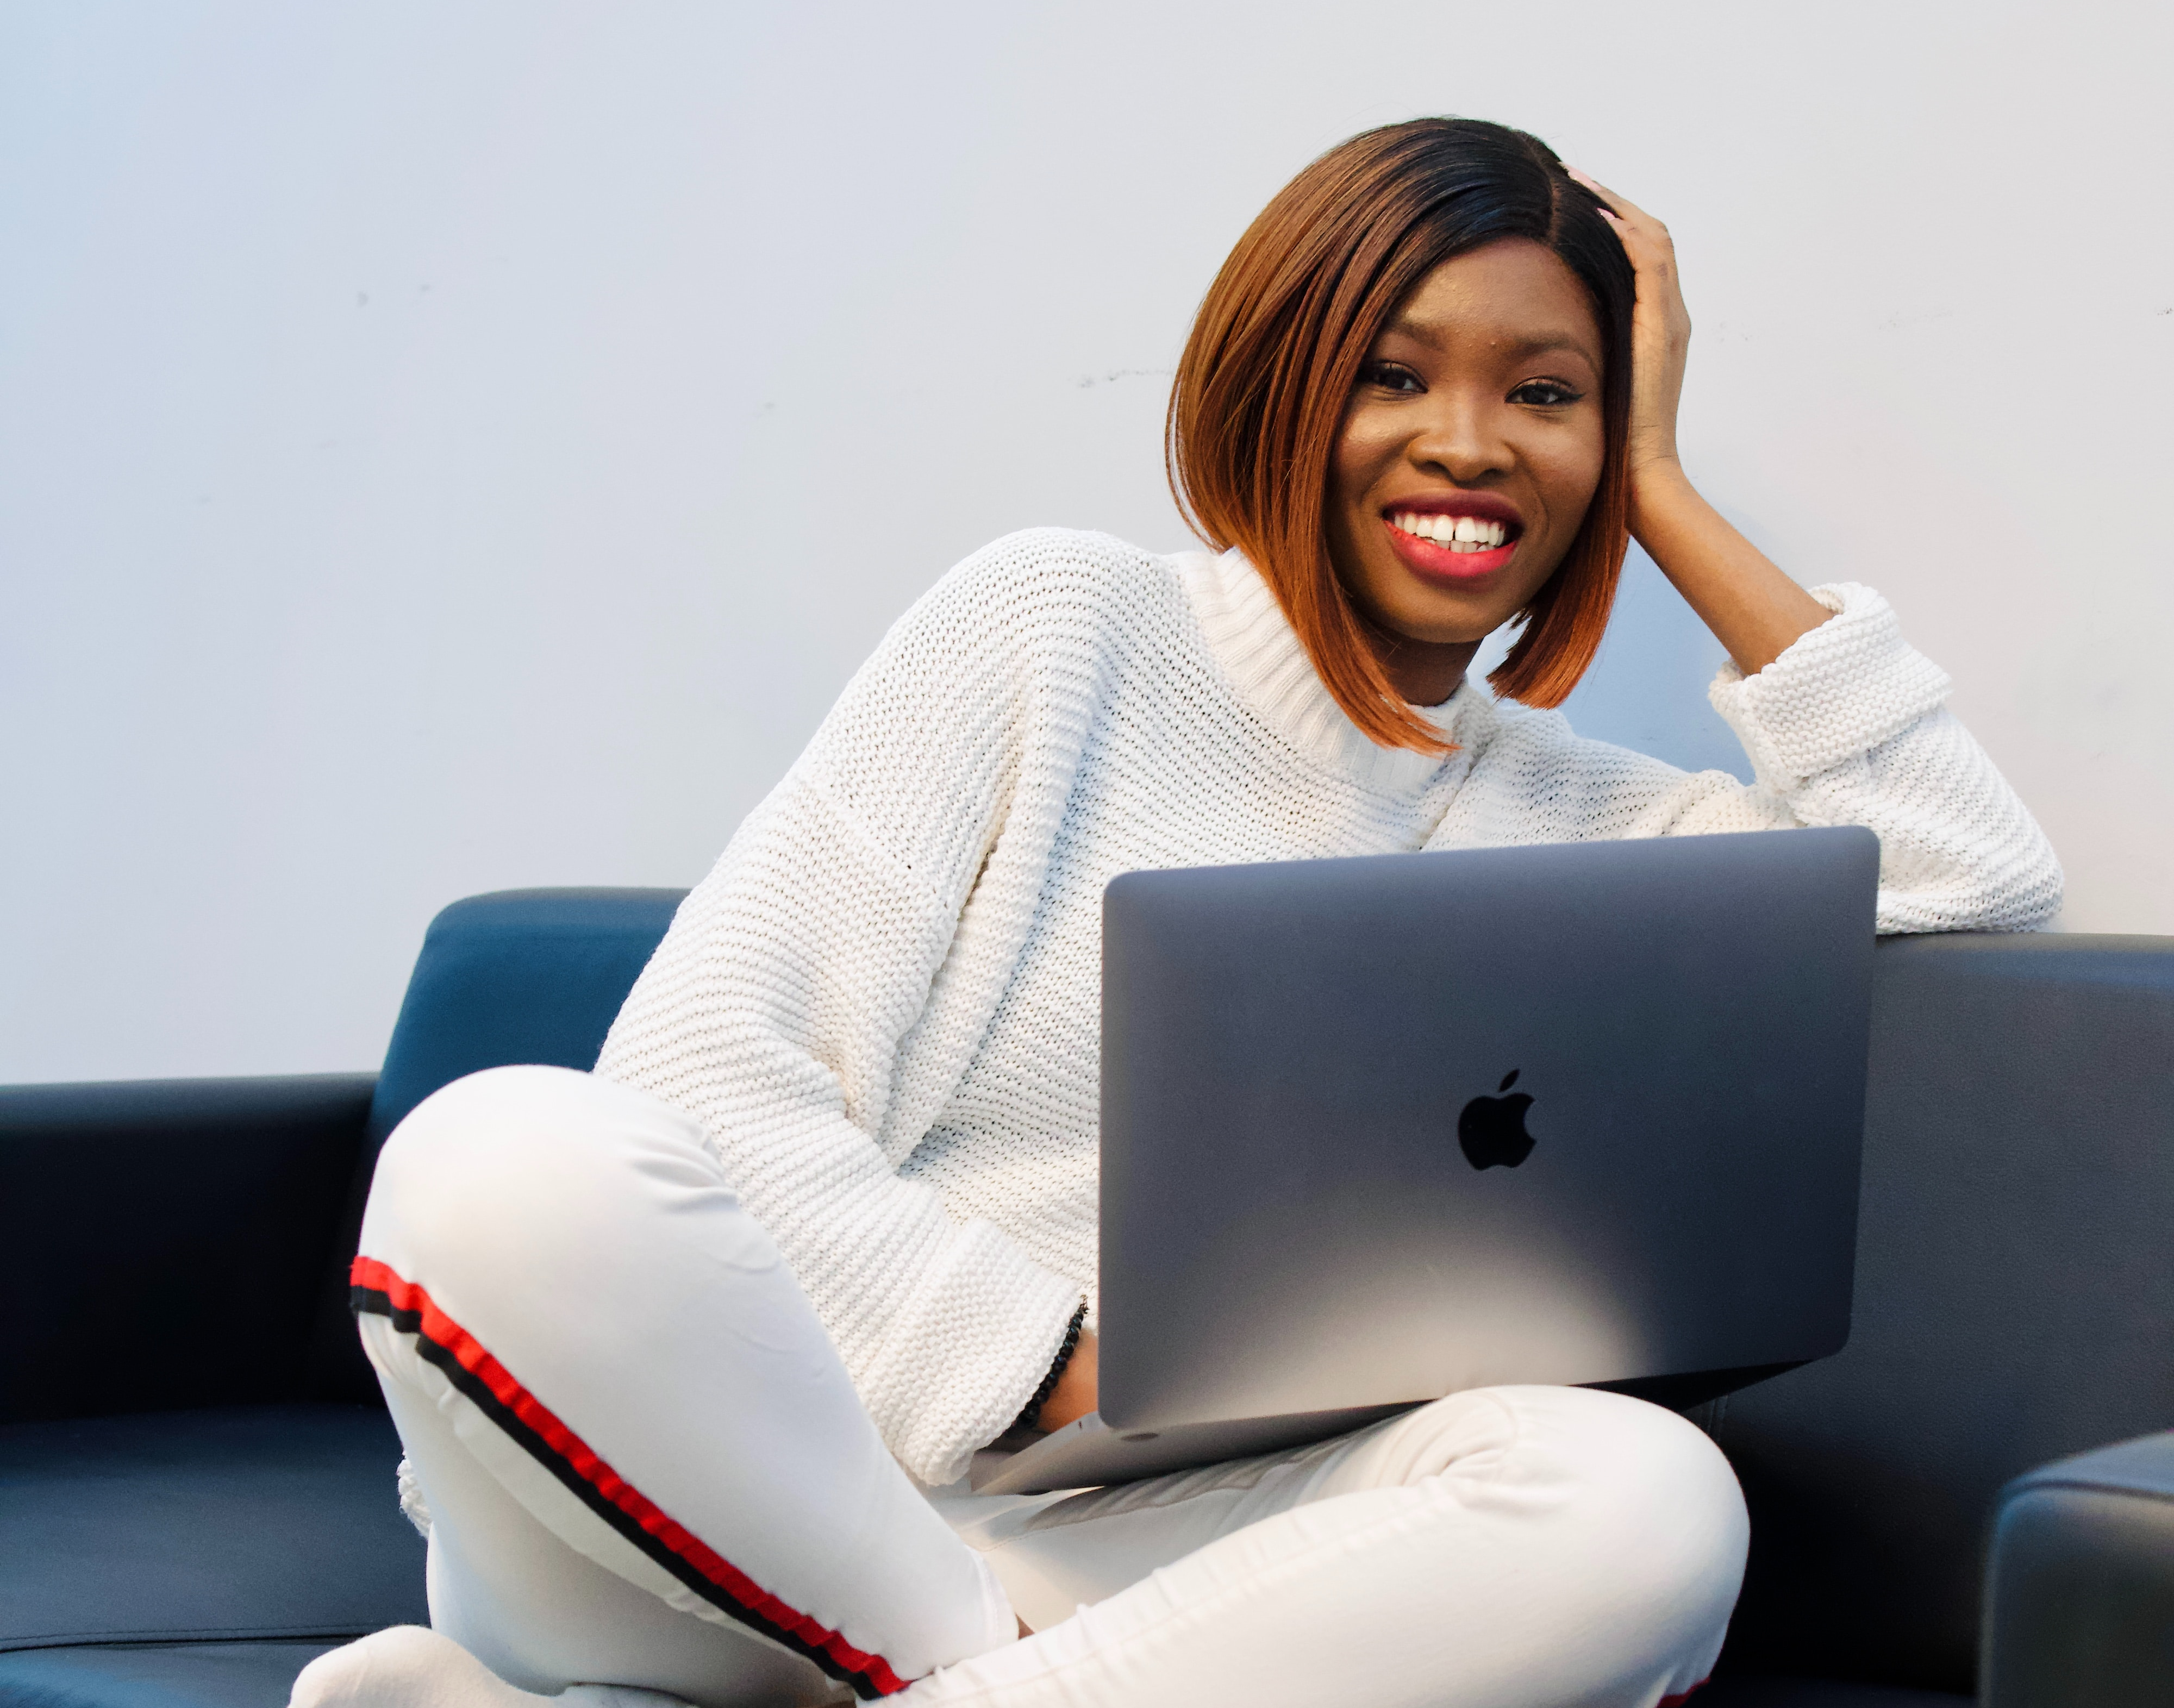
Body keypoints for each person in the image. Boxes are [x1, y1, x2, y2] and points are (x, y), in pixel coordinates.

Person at [295, 117, 2060, 1708]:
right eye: (1394, 373)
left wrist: (1671, 491)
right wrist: (1054, 1364)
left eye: (1547, 394)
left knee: (1650, 1499)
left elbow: (1969, 867)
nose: (1469, 445)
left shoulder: (1607, 825)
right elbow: (705, 1069)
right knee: (500, 1159)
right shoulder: (1053, 630)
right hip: (737, 1498)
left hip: (1181, 1552)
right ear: (1287, 388)